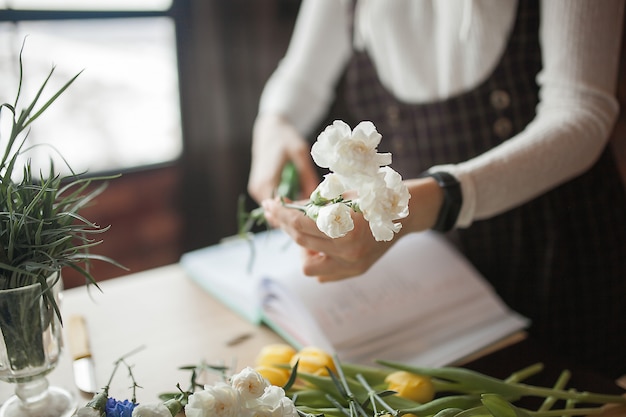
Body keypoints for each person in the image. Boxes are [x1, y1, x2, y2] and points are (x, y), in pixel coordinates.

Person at [247, 0, 626, 378]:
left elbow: (581, 112)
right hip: (431, 284)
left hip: (561, 267)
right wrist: (273, 125)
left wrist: (434, 201)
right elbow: (301, 80)